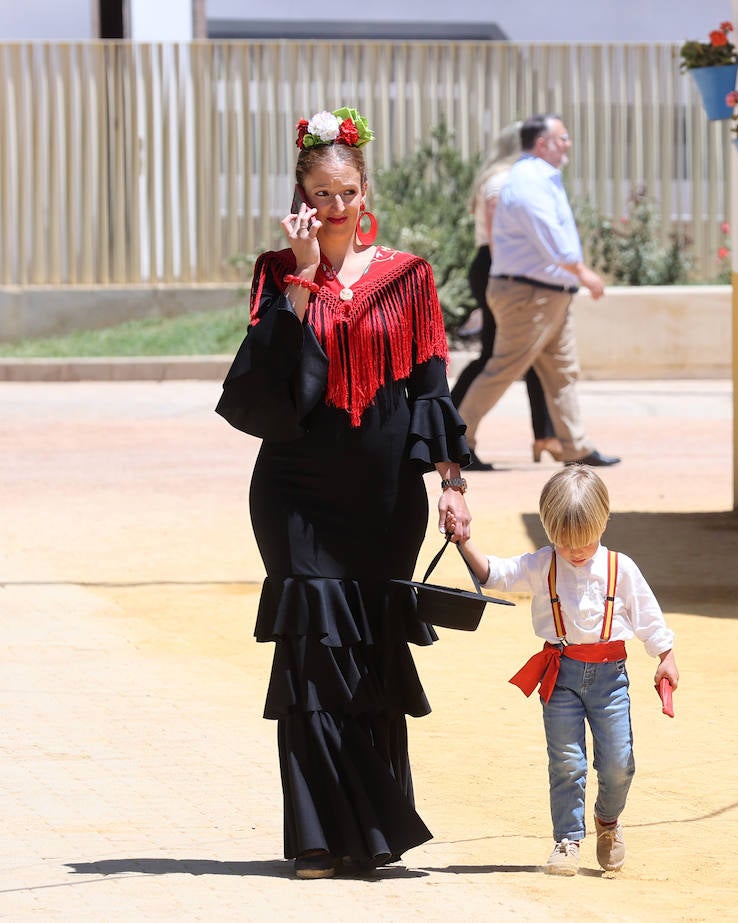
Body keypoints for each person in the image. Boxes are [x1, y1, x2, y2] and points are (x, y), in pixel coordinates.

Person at [215, 106, 473, 880]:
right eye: (319, 195)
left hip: (386, 494)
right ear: (300, 197)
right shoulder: (275, 273)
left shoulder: (410, 277)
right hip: (296, 489)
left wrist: (451, 484)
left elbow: (431, 387)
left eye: (346, 192)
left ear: (366, 193)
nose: (333, 208)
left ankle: (372, 836)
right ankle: (319, 837)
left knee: (368, 656)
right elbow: (268, 386)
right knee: (309, 655)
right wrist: (299, 275)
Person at [449, 465, 679, 875]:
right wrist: (464, 542)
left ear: (604, 521)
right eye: (564, 541)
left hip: (610, 680)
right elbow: (495, 573)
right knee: (567, 762)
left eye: (585, 540)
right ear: (548, 529)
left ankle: (607, 822)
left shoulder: (620, 568)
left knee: (619, 762)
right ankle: (567, 840)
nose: (575, 551)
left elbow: (648, 616)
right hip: (561, 676)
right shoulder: (542, 563)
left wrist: (665, 656)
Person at [456, 113, 621, 468]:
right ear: (542, 143)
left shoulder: (539, 177)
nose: (568, 144)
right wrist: (582, 271)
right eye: (563, 138)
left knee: (561, 372)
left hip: (549, 291)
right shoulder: (527, 179)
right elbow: (547, 232)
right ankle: (458, 443)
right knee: (501, 369)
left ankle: (575, 446)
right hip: (529, 294)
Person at [451, 120, 562, 471]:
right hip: (498, 268)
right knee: (496, 359)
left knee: (528, 353)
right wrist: (511, 279)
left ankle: (546, 435)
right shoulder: (500, 181)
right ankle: (449, 432)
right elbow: (500, 235)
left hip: (497, 268)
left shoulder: (502, 177)